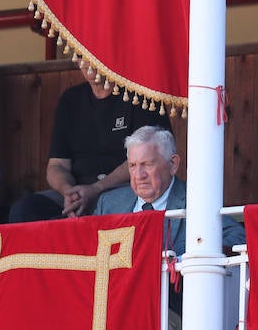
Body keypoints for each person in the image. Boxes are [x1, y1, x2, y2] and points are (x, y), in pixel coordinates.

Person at [9, 66, 172, 222]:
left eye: (93, 56)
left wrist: (96, 189)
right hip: (77, 192)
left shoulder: (139, 95)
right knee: (25, 210)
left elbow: (148, 159)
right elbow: (57, 165)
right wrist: (69, 193)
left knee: (110, 206)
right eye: (81, 56)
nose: (87, 63)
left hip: (125, 189)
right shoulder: (70, 100)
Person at [94, 126, 246, 261]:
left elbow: (239, 237)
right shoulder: (108, 204)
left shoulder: (196, 201)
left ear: (173, 164)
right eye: (133, 166)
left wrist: (185, 260)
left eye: (147, 164)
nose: (139, 175)